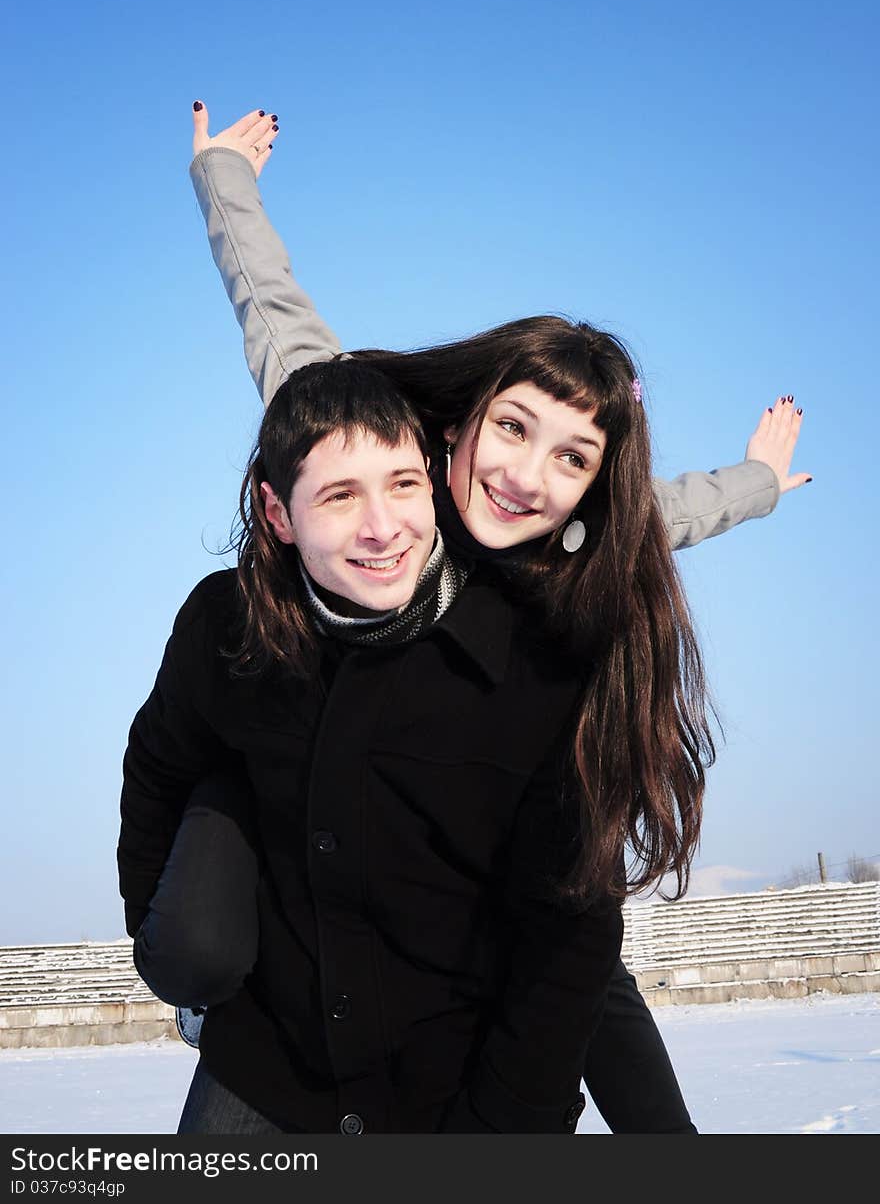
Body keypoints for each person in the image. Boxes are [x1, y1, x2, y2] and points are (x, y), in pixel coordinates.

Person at [169, 102, 810, 1132]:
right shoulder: (362, 448)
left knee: (569, 917)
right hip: (307, 819)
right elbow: (274, 312)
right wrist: (221, 178)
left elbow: (666, 513)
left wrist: (759, 483)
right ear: (464, 417)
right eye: (513, 430)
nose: (524, 478)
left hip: (473, 867)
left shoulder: (573, 565)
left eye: (570, 460)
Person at [119, 358, 630, 1133]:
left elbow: (573, 934)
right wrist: (170, 941)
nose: (382, 527)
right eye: (338, 496)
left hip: (449, 1089)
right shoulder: (225, 629)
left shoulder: (537, 666)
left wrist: (502, 1122)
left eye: (400, 483)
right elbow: (156, 765)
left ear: (431, 478)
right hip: (267, 1070)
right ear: (278, 513)